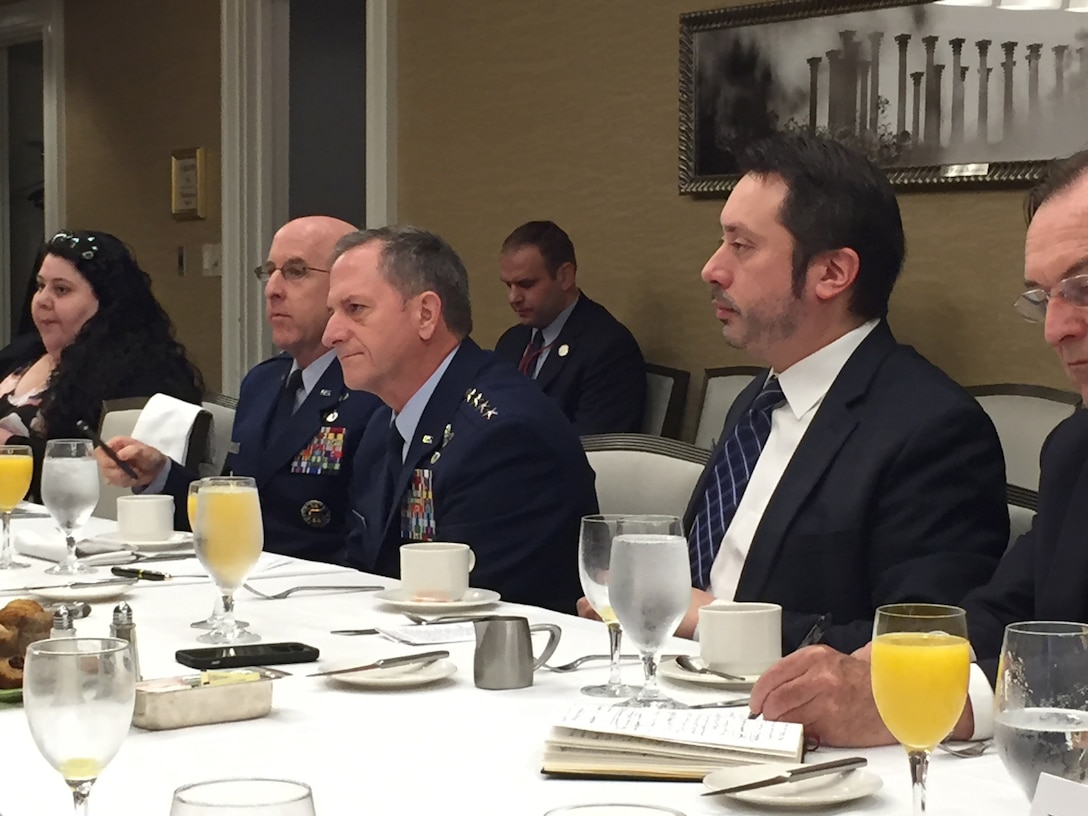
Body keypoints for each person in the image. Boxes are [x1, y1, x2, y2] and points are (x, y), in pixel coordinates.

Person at [577, 133, 1008, 654]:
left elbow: (920, 646)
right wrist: (647, 610)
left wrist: (707, 620)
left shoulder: (933, 429)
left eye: (741, 245)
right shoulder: (758, 400)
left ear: (832, 273)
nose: (711, 269)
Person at [745, 149, 1088, 748]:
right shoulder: (1076, 451)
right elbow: (1002, 616)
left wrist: (937, 703)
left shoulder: (930, 423)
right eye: (1042, 298)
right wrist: (883, 669)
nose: (1055, 329)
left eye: (1083, 288)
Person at [324, 225, 598, 612]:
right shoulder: (381, 421)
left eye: (355, 309)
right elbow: (362, 566)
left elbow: (471, 609)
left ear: (426, 314)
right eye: (331, 312)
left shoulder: (504, 437)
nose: (331, 334)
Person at [96, 216, 381, 565]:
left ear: (343, 288)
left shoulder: (372, 389)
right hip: (241, 581)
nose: (272, 288)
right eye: (269, 271)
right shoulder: (262, 383)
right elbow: (235, 511)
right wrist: (161, 474)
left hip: (317, 593)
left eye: (295, 271)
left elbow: (365, 546)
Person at [0, 230, 203, 500]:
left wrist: (9, 445)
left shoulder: (142, 374)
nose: (42, 301)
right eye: (40, 286)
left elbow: (111, 478)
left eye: (61, 289)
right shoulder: (22, 352)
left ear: (106, 303)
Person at [494, 220, 646, 435]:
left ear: (565, 276)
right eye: (508, 285)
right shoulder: (512, 342)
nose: (513, 298)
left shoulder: (609, 348)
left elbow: (592, 449)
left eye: (526, 285)